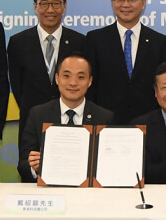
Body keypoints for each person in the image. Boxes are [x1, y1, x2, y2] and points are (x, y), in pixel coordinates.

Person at [86, 0, 166, 123]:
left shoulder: (159, 42)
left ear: (143, 3)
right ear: (112, 2)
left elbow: (164, 85)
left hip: (149, 121)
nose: (125, 5)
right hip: (106, 121)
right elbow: (90, 85)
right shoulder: (95, 39)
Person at [17, 51, 114, 182]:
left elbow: (109, 166)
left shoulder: (104, 117)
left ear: (90, 81)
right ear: (57, 79)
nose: (73, 83)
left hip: (88, 191)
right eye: (66, 76)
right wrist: (34, 168)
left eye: (81, 77)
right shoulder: (38, 114)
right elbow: (23, 164)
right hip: (49, 190)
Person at [9, 0, 85, 114]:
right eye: (44, 4)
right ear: (35, 7)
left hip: (69, 118)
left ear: (64, 6)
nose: (50, 10)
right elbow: (17, 85)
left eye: (56, 3)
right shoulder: (18, 42)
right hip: (32, 118)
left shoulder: (80, 42)